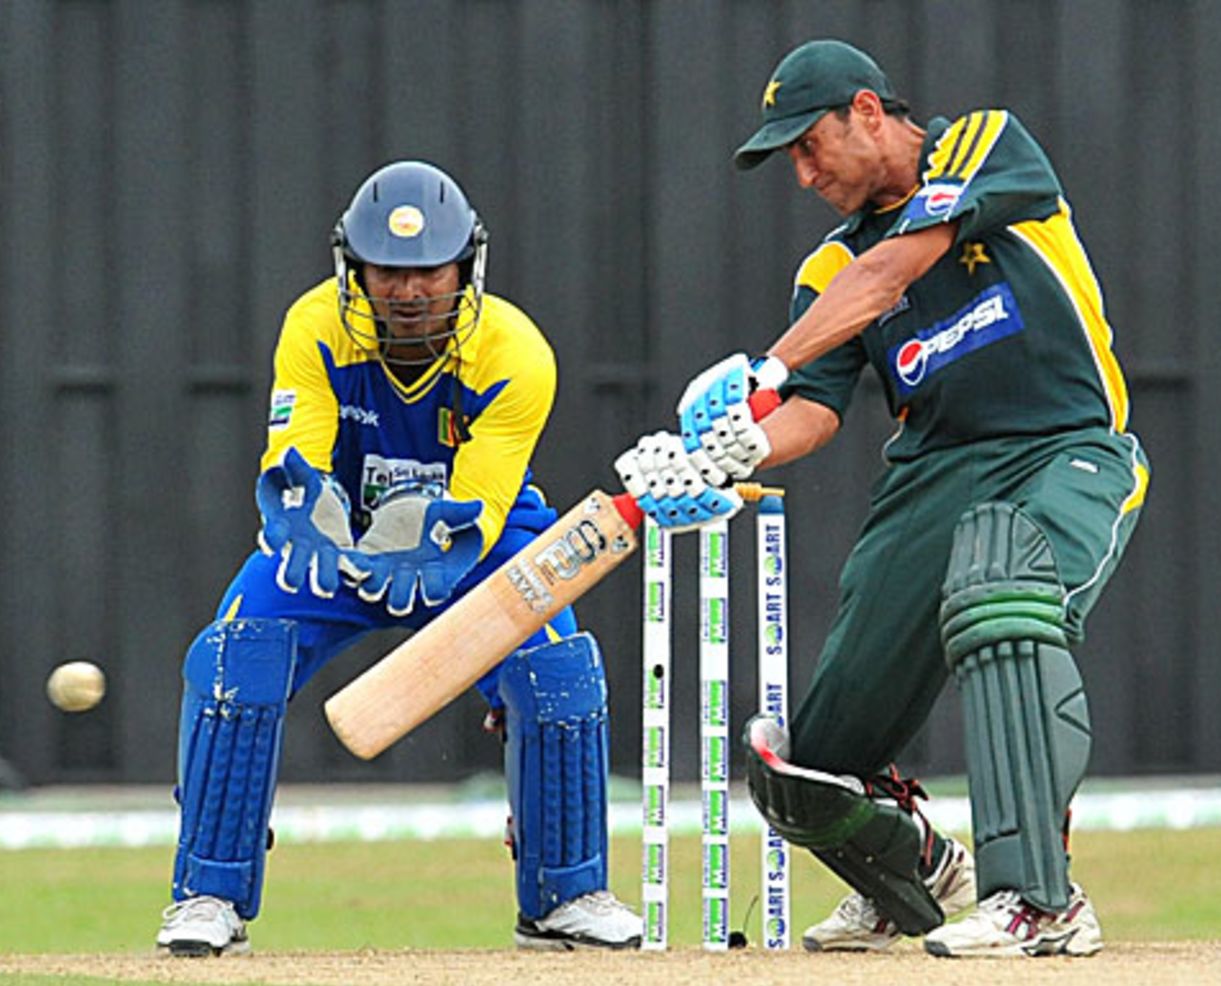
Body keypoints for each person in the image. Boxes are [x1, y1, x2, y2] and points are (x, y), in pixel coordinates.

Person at [615, 39, 1149, 958]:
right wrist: (729, 453)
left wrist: (767, 367)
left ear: (868, 110)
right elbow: (815, 413)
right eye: (790, 156)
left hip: (1064, 448)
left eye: (811, 144)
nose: (805, 172)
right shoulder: (826, 269)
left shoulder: (983, 146)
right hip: (931, 477)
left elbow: (889, 275)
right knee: (806, 764)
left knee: (1004, 602)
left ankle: (1039, 902)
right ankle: (918, 878)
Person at [156, 160, 641, 956]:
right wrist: (303, 514)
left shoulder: (516, 351)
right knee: (231, 659)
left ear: (467, 266)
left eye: (429, 272)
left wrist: (439, 549)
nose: (411, 293)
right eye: (390, 272)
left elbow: (480, 502)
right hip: (340, 533)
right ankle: (208, 895)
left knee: (559, 674)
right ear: (356, 270)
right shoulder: (314, 325)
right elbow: (298, 452)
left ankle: (565, 896)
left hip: (475, 533)